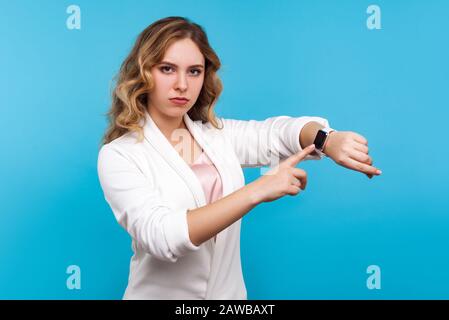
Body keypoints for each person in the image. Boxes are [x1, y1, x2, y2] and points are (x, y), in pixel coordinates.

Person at [97, 16, 381, 300]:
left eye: (194, 71)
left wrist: (327, 139)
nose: (182, 84)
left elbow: (276, 133)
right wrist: (257, 190)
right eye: (167, 69)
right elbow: (163, 237)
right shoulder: (120, 155)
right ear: (144, 72)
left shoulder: (218, 136)